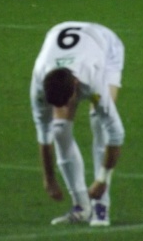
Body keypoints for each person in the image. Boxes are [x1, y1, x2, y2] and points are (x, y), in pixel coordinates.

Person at [30, 21, 125, 227]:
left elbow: (117, 133)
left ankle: (101, 206)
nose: (67, 108)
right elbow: (43, 133)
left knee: (100, 124)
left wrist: (102, 179)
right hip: (65, 39)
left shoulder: (92, 81)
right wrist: (49, 179)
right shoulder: (39, 83)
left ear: (75, 87)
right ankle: (81, 206)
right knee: (59, 130)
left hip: (106, 48)